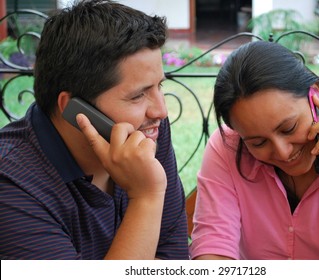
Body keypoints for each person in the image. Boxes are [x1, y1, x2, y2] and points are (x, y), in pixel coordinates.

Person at [0, 0, 188, 260]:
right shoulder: (12, 187)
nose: (161, 111)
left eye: (159, 87)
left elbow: (172, 258)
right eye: (137, 96)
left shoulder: (145, 133)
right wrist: (146, 198)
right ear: (74, 109)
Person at [190, 40, 319, 260]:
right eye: (258, 143)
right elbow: (212, 250)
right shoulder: (228, 146)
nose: (283, 152)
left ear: (314, 95)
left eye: (288, 128)